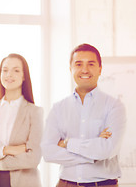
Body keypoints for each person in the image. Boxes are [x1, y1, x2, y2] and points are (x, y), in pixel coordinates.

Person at [41, 43, 126, 187]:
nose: (84, 70)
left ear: (100, 69)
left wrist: (68, 143)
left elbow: (107, 150)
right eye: (79, 64)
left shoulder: (114, 106)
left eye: (91, 64)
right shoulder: (58, 108)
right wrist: (92, 154)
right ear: (71, 69)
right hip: (65, 184)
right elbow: (48, 152)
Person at [0, 53, 43, 187]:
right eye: (5, 70)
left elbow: (33, 158)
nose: (9, 75)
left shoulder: (35, 112)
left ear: (24, 76)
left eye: (16, 70)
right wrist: (6, 150)